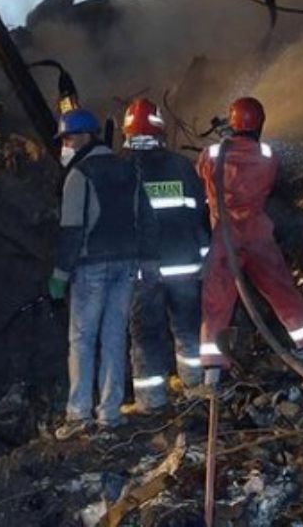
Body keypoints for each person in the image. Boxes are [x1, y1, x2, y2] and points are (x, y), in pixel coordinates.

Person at [197, 97, 303, 382]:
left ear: (232, 123)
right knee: (281, 290)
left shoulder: (211, 154)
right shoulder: (268, 156)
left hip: (225, 235)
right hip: (258, 233)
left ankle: (212, 374)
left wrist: (226, 139)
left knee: (217, 301)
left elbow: (205, 174)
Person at [48, 108, 158, 439]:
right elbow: (146, 218)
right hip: (126, 265)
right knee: (114, 337)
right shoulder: (128, 169)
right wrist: (149, 262)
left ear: (83, 136)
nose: (64, 145)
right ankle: (110, 414)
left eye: (67, 138)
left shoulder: (79, 174)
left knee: (82, 340)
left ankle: (78, 415)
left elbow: (71, 230)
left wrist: (59, 275)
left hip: (90, 267)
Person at [119, 98, 208, 412]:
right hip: (184, 267)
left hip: (144, 274)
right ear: (160, 130)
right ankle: (196, 385)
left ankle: (151, 400)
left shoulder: (122, 170)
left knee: (146, 335)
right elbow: (200, 214)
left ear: (126, 131)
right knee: (188, 328)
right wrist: (205, 259)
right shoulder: (181, 166)